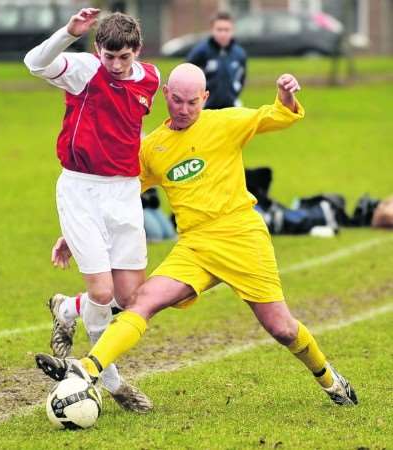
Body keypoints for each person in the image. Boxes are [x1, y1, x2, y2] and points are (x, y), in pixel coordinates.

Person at [36, 63, 358, 408]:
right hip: (194, 246)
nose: (185, 109)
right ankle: (86, 370)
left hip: (242, 238)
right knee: (142, 301)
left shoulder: (225, 123)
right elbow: (118, 192)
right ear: (165, 95)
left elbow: (278, 115)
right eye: (177, 101)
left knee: (283, 330)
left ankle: (329, 379)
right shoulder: (153, 148)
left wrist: (285, 96)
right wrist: (74, 232)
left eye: (193, 102)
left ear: (205, 98)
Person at [24, 8, 160, 413]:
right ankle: (115, 384)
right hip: (81, 190)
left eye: (124, 58)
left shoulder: (150, 79)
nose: (116, 65)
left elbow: (131, 130)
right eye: (109, 56)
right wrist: (69, 32)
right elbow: (34, 63)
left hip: (124, 193)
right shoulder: (84, 70)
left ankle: (67, 307)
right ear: (98, 49)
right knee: (102, 293)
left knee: (129, 295)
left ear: (137, 51)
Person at [187, 11, 246, 109]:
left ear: (233, 30)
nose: (223, 33)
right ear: (212, 30)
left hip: (231, 107)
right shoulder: (200, 51)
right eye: (219, 29)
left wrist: (234, 93)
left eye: (227, 30)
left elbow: (241, 78)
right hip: (206, 108)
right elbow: (186, 75)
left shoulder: (239, 54)